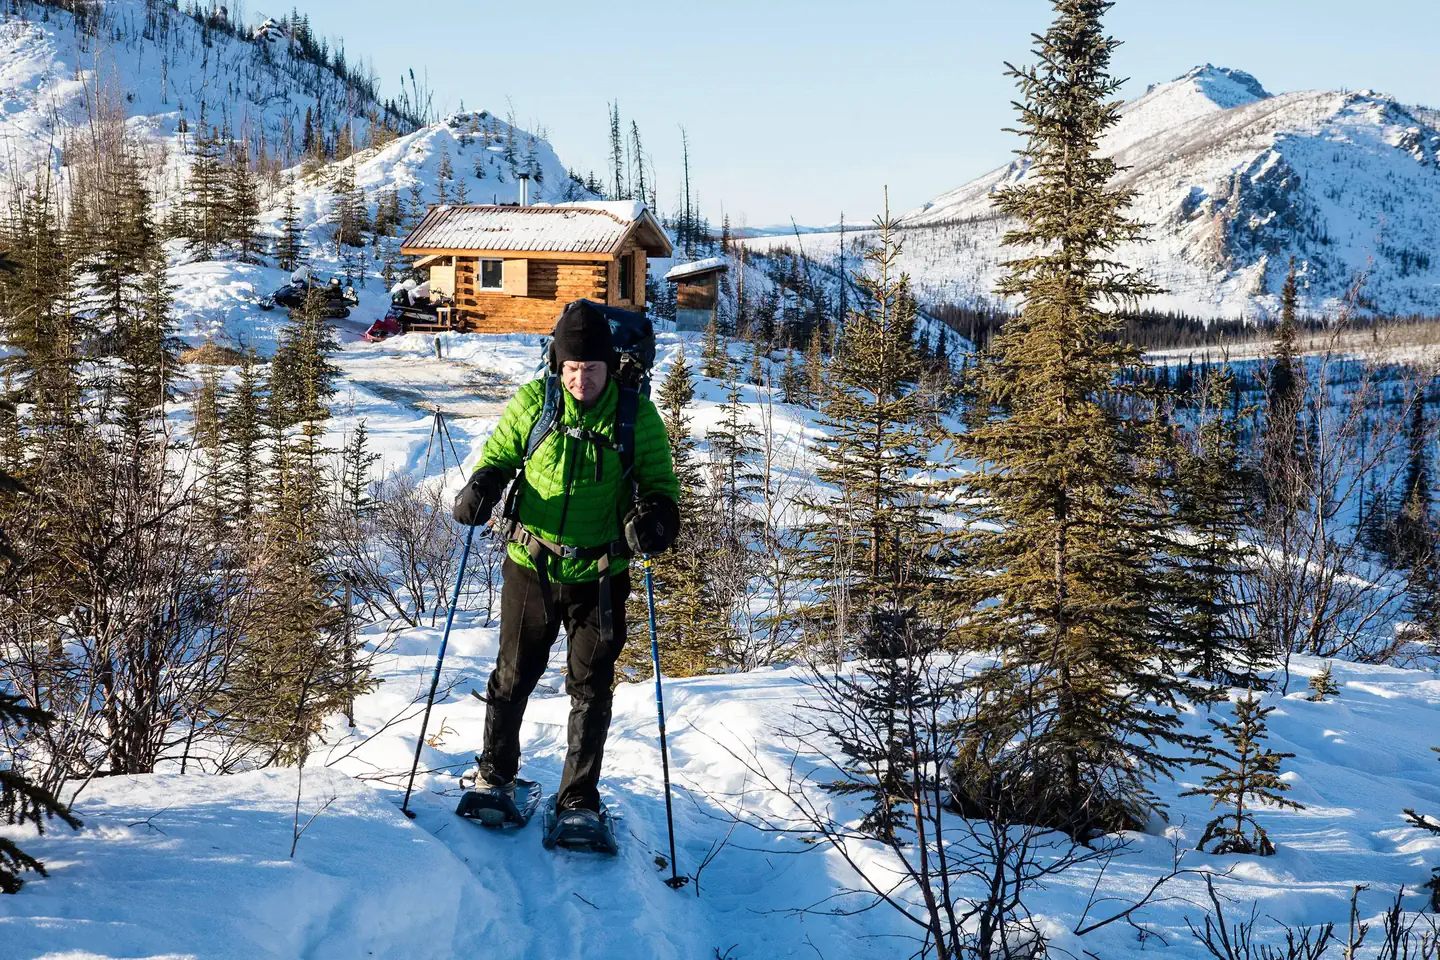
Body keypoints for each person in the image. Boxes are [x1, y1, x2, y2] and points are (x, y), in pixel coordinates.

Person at [452, 300, 680, 826]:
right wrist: (483, 484)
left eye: (591, 368)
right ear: (558, 363)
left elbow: (662, 486)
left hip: (600, 577)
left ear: (610, 366)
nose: (581, 379)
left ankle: (578, 798)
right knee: (512, 676)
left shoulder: (635, 415)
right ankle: (495, 775)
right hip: (530, 566)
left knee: (591, 686)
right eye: (572, 367)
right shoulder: (535, 402)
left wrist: (658, 520)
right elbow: (500, 457)